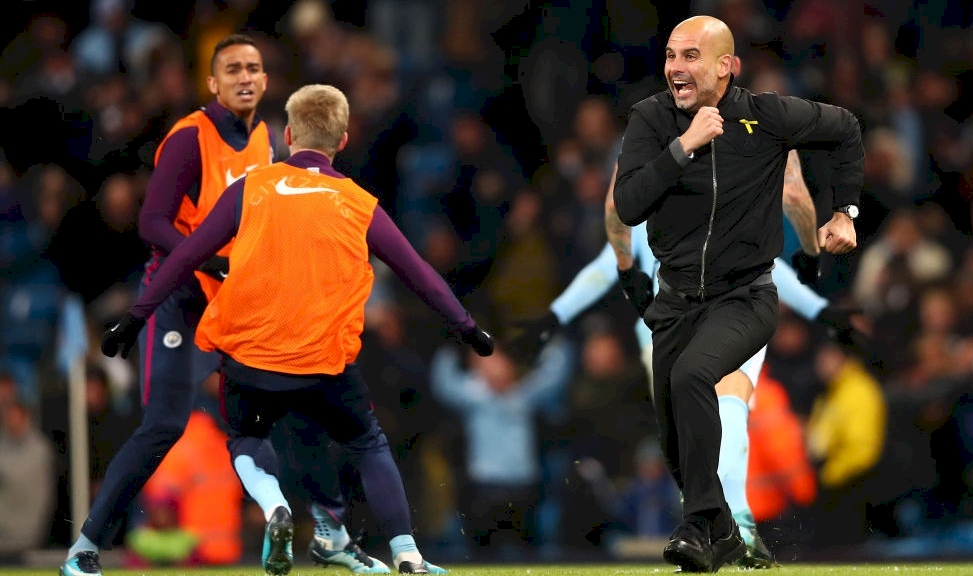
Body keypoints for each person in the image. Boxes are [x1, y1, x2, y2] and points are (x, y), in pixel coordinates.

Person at [98, 84, 494, 576]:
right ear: (344, 140)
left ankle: (275, 505)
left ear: (286, 135)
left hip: (250, 359)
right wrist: (467, 326)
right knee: (366, 442)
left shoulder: (250, 188)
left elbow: (184, 256)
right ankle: (406, 553)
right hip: (322, 361)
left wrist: (136, 317)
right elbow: (419, 273)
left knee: (244, 438)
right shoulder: (357, 201)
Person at [60, 35, 384, 576]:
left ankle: (324, 530)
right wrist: (215, 264)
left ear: (265, 80)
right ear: (212, 82)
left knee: (288, 410)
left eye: (254, 68)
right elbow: (152, 223)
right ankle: (85, 548)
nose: (244, 76)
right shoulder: (192, 138)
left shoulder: (262, 137)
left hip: (236, 306)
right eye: (232, 68)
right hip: (182, 301)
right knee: (163, 426)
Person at [510, 151, 861, 569]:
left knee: (725, 413)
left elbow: (613, 258)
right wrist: (556, 315)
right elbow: (612, 262)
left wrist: (819, 310)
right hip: (688, 322)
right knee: (724, 414)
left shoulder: (674, 185)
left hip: (697, 320)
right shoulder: (709, 184)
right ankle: (722, 521)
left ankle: (725, 521)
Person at [612, 15, 862, 573]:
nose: (676, 67)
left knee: (693, 377)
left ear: (727, 67)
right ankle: (723, 534)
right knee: (677, 442)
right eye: (672, 55)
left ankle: (699, 526)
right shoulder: (651, 119)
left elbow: (845, 127)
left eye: (691, 56)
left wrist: (846, 212)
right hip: (674, 299)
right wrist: (684, 146)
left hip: (744, 296)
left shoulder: (766, 116)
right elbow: (628, 204)